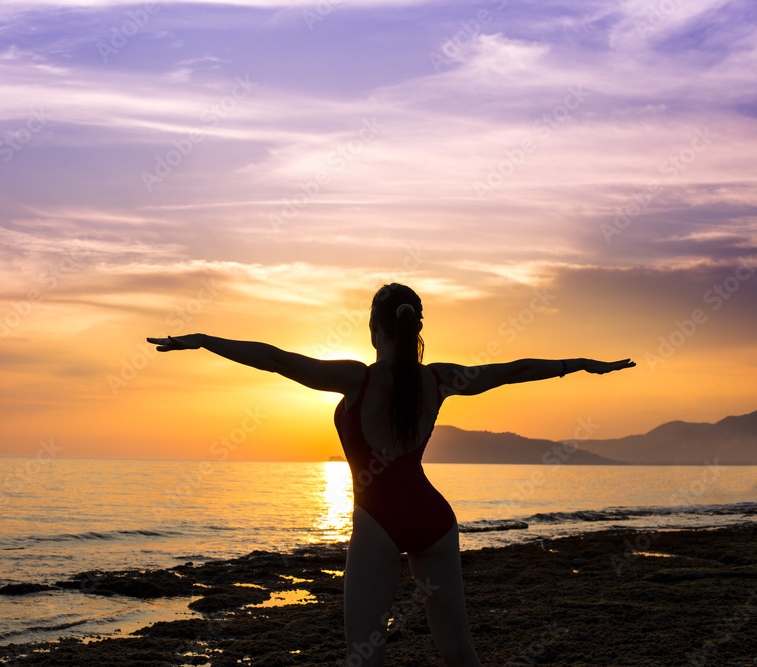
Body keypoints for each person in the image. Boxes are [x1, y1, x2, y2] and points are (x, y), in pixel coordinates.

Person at [147, 282, 635, 666]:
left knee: (365, 657)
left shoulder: (355, 377)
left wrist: (204, 341)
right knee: (460, 653)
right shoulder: (438, 379)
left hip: (378, 521)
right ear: (416, 328)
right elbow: (510, 369)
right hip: (435, 520)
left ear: (374, 328)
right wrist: (580, 364)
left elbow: (276, 360)